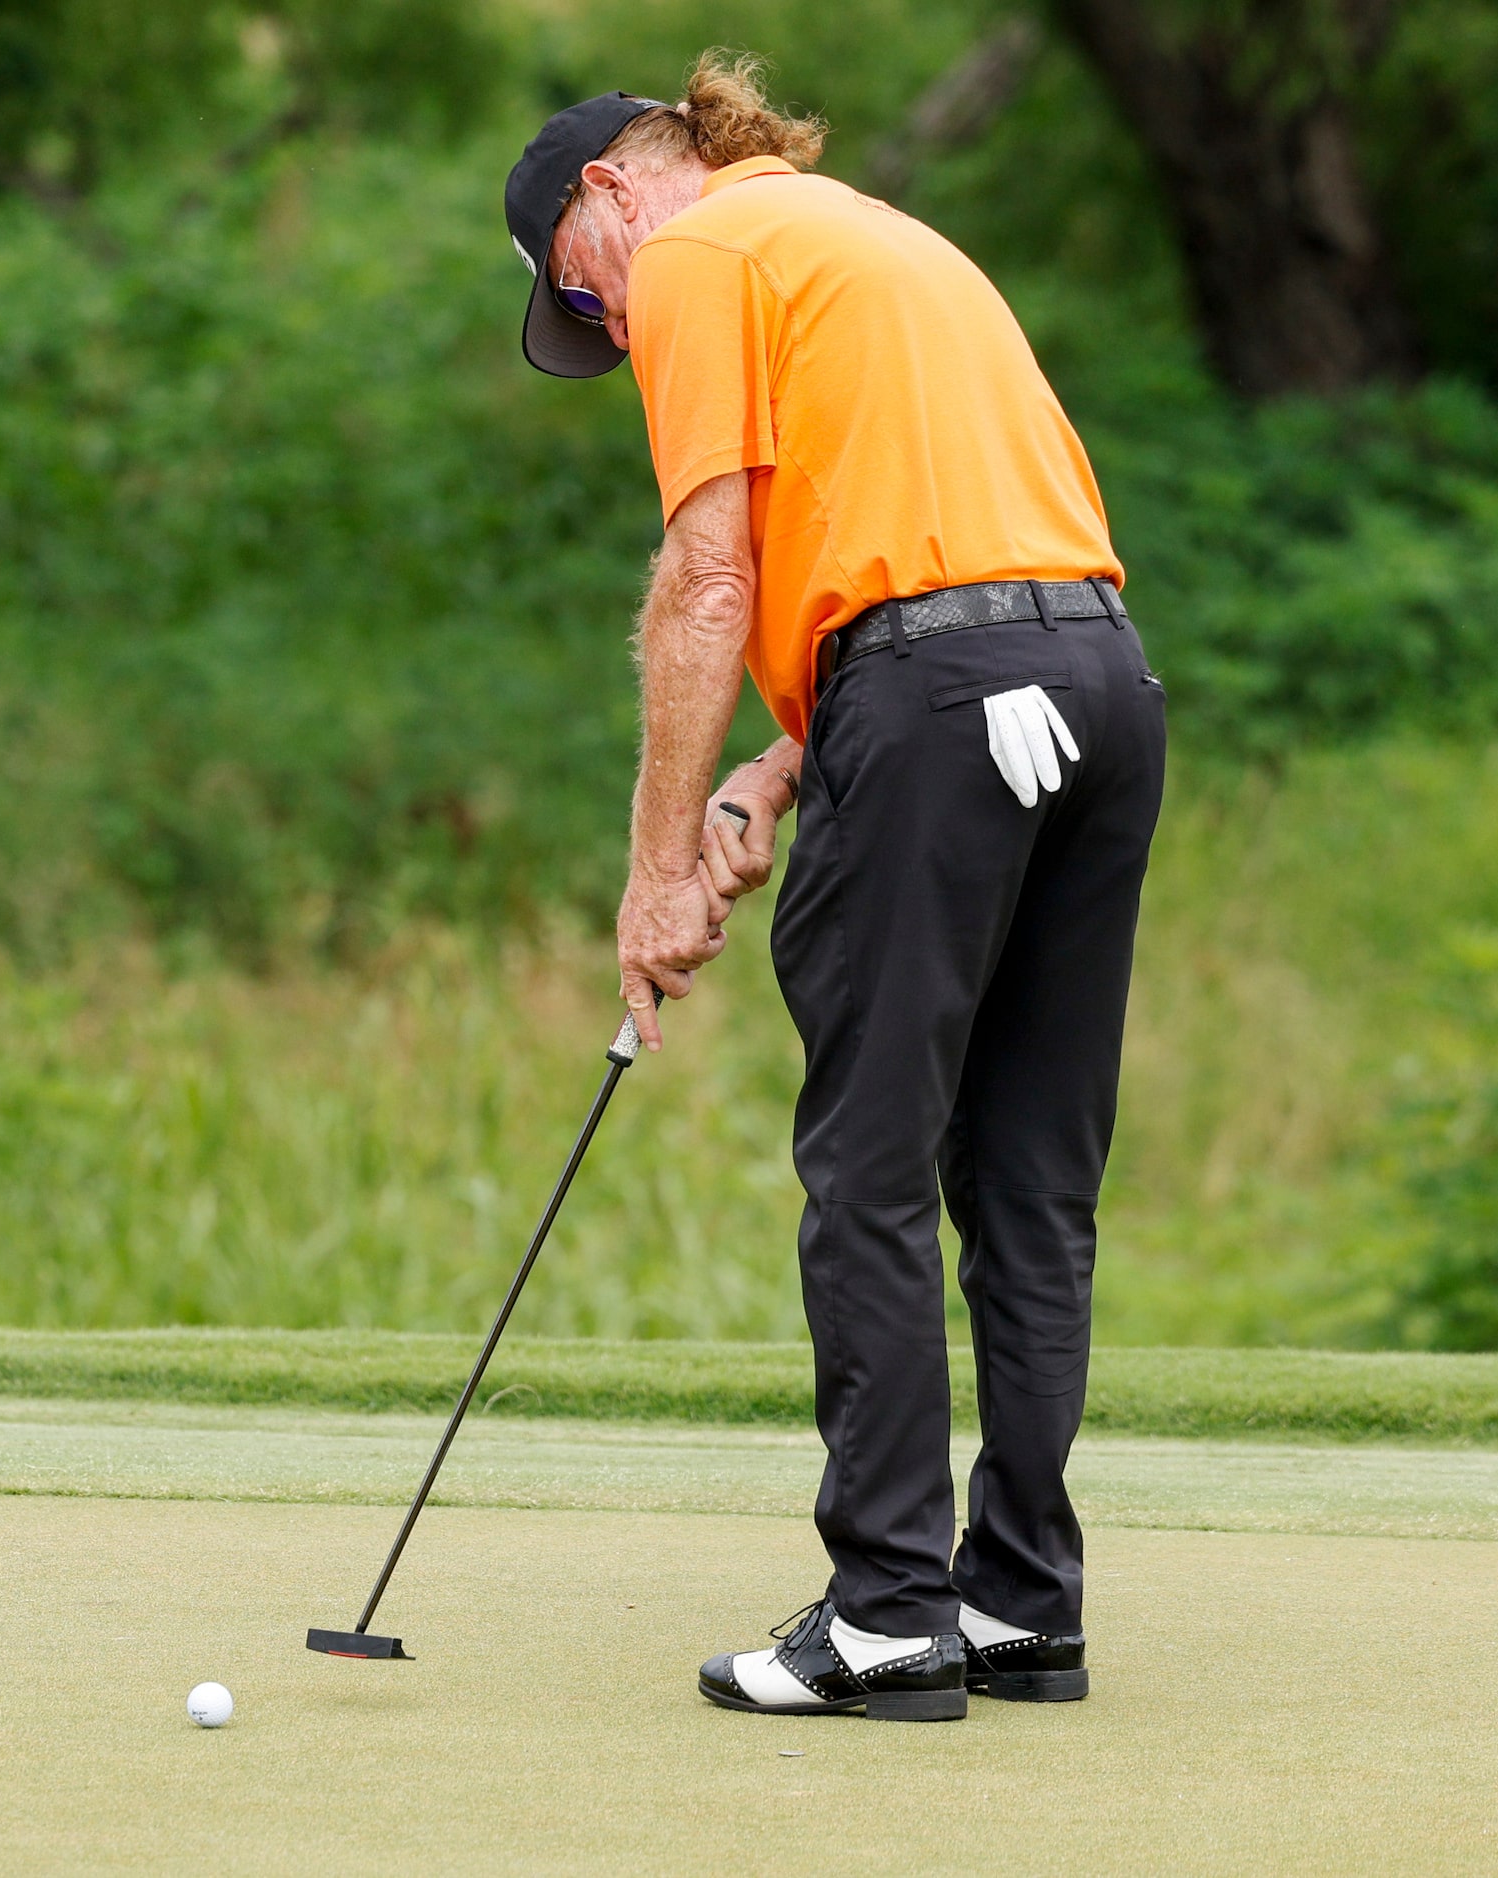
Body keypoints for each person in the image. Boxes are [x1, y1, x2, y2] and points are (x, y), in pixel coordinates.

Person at [502, 55, 1164, 1721]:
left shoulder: (698, 252)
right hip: (1095, 682)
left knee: (866, 1160)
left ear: (607, 200)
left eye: (588, 306)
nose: (612, 338)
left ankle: (883, 1608)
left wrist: (655, 872)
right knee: (1025, 1173)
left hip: (941, 697)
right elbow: (966, 557)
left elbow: (706, 574)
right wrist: (780, 762)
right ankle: (1017, 1600)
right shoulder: (872, 238)